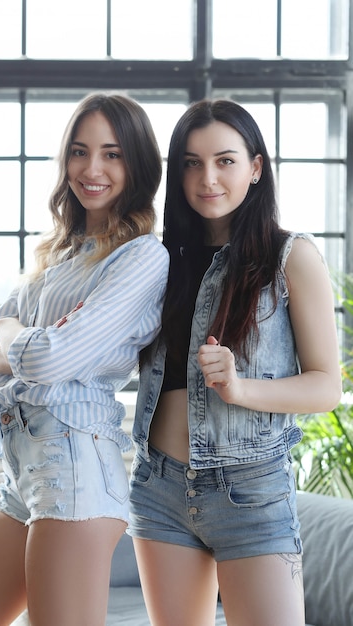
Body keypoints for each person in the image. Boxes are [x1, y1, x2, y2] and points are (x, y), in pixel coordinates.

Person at [0, 93, 169, 626]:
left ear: (139, 164)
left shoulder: (143, 257)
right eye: (79, 152)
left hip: (76, 475)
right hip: (24, 476)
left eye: (112, 153)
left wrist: (11, 333)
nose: (92, 169)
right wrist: (17, 340)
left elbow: (48, 359)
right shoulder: (61, 253)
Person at [128, 99, 342, 626]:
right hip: (159, 490)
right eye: (191, 163)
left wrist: (242, 389)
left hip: (251, 491)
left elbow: (326, 386)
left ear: (255, 167)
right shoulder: (158, 261)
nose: (208, 178)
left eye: (225, 160)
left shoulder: (292, 257)